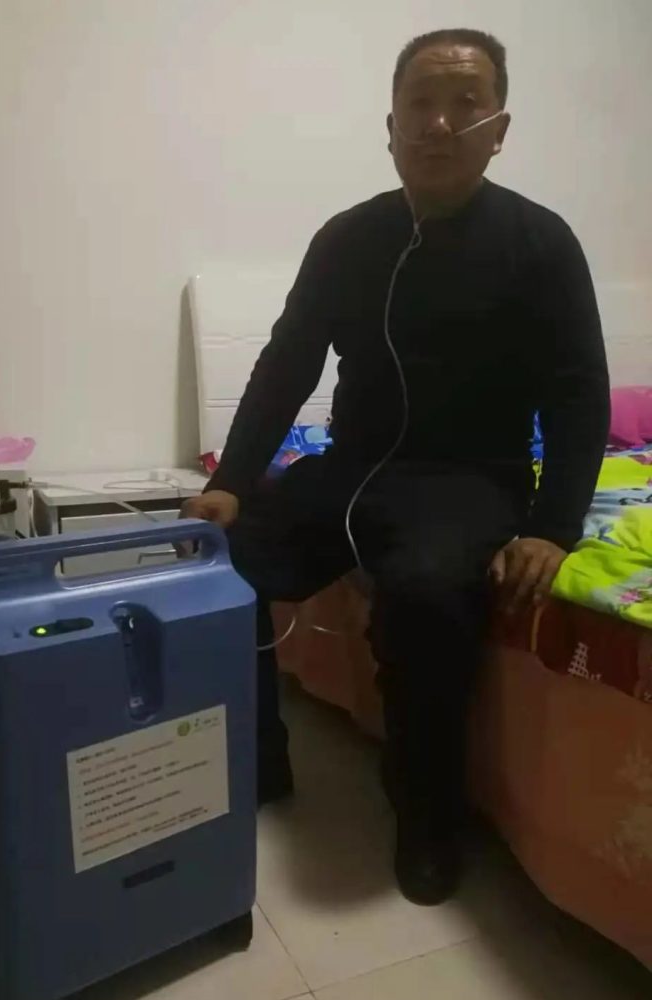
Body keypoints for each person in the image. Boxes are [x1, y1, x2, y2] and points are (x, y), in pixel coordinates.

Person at [182, 28, 609, 905]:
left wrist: (553, 526)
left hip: (471, 479)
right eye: (420, 103)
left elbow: (579, 396)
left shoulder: (542, 243)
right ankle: (257, 765)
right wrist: (230, 481)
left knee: (425, 594)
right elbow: (287, 364)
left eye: (464, 104)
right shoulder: (347, 238)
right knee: (215, 563)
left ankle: (427, 817)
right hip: (352, 468)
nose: (438, 123)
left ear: (498, 129)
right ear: (390, 126)